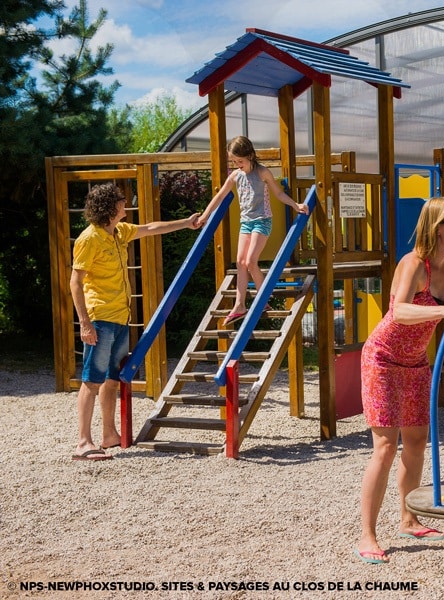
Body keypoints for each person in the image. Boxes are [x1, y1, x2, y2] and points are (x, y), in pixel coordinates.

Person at [356, 197, 444, 565]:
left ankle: (408, 518)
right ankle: (367, 534)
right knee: (385, 448)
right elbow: (398, 311)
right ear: (438, 227)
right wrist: (443, 309)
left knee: (417, 441)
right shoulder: (413, 263)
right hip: (383, 360)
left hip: (416, 362)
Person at [70, 183, 200, 461]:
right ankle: (83, 442)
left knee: (111, 380)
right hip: (100, 318)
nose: (125, 204)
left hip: (120, 318)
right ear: (109, 207)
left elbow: (152, 228)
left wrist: (186, 223)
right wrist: (84, 323)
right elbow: (75, 282)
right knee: (91, 381)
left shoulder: (119, 232)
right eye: (120, 201)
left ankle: (109, 434)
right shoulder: (88, 239)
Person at [199, 136, 310, 325]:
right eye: (233, 161)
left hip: (262, 221)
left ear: (250, 155)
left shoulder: (262, 172)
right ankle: (240, 305)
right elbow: (219, 196)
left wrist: (295, 204)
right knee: (240, 263)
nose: (237, 164)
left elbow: (279, 193)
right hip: (246, 223)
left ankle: (263, 298)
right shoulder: (235, 176)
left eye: (239, 161)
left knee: (251, 261)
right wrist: (204, 216)